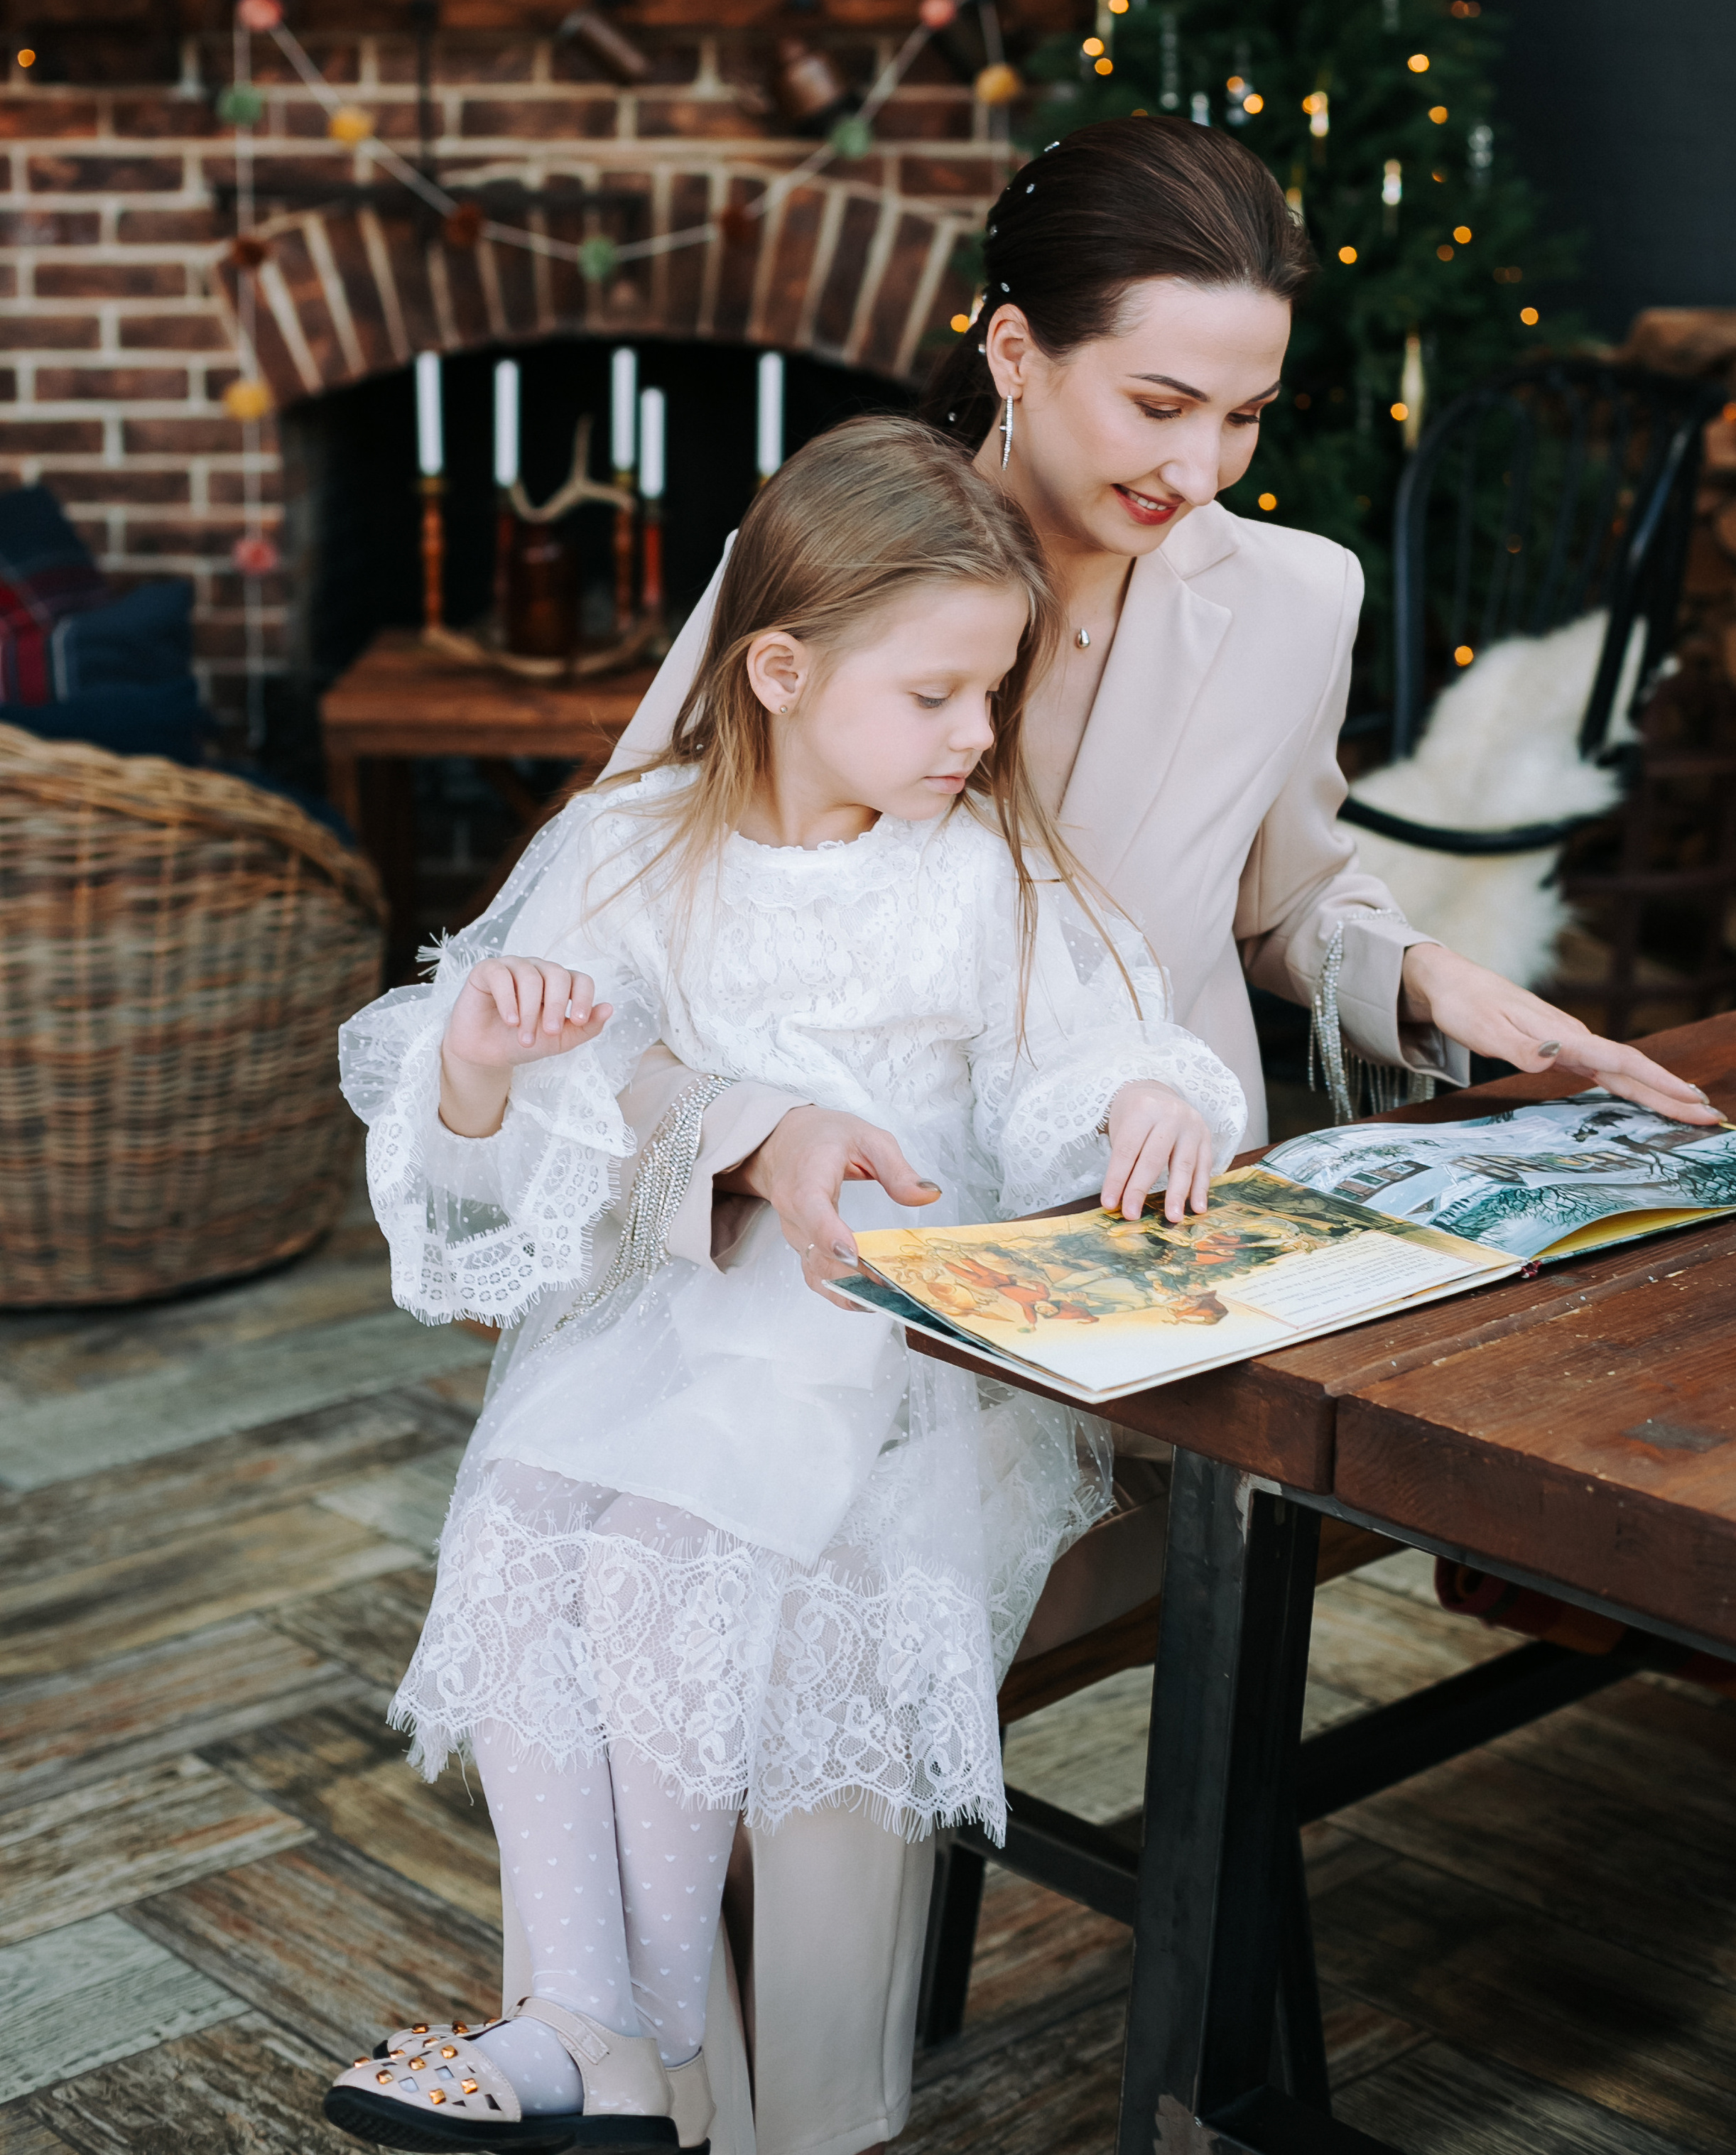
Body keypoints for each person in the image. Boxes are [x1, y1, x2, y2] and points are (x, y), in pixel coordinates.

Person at [599, 114, 1720, 2155]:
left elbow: (1291, 898)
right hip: (818, 1271)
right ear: (1013, 347)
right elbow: (616, 930)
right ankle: (686, 2108)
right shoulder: (833, 560)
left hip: (1121, 1300)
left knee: (809, 1617)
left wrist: (1450, 989)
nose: (1201, 468)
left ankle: (759, 2118)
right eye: (1158, 403)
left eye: (1247, 414)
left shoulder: (1289, 596)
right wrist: (753, 1140)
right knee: (725, 1591)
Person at [322, 417, 1244, 2154]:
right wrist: (485, 1064)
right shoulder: (631, 844)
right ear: (777, 670)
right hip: (667, 1318)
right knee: (521, 1514)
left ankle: (621, 2034)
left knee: (661, 1547)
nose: (976, 734)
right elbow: (512, 1126)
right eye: (935, 695)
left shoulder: (970, 872)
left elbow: (1075, 1053)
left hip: (875, 1328)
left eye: (993, 692)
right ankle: (590, 2024)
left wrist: (1142, 1095)